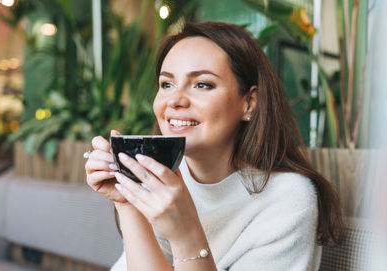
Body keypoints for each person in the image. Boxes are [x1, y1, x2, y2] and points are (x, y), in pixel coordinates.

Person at [85, 22, 343, 271]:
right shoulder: (165, 180)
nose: (174, 100)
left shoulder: (288, 199)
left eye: (202, 84)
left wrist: (186, 234)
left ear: (250, 103)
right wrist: (127, 201)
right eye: (167, 84)